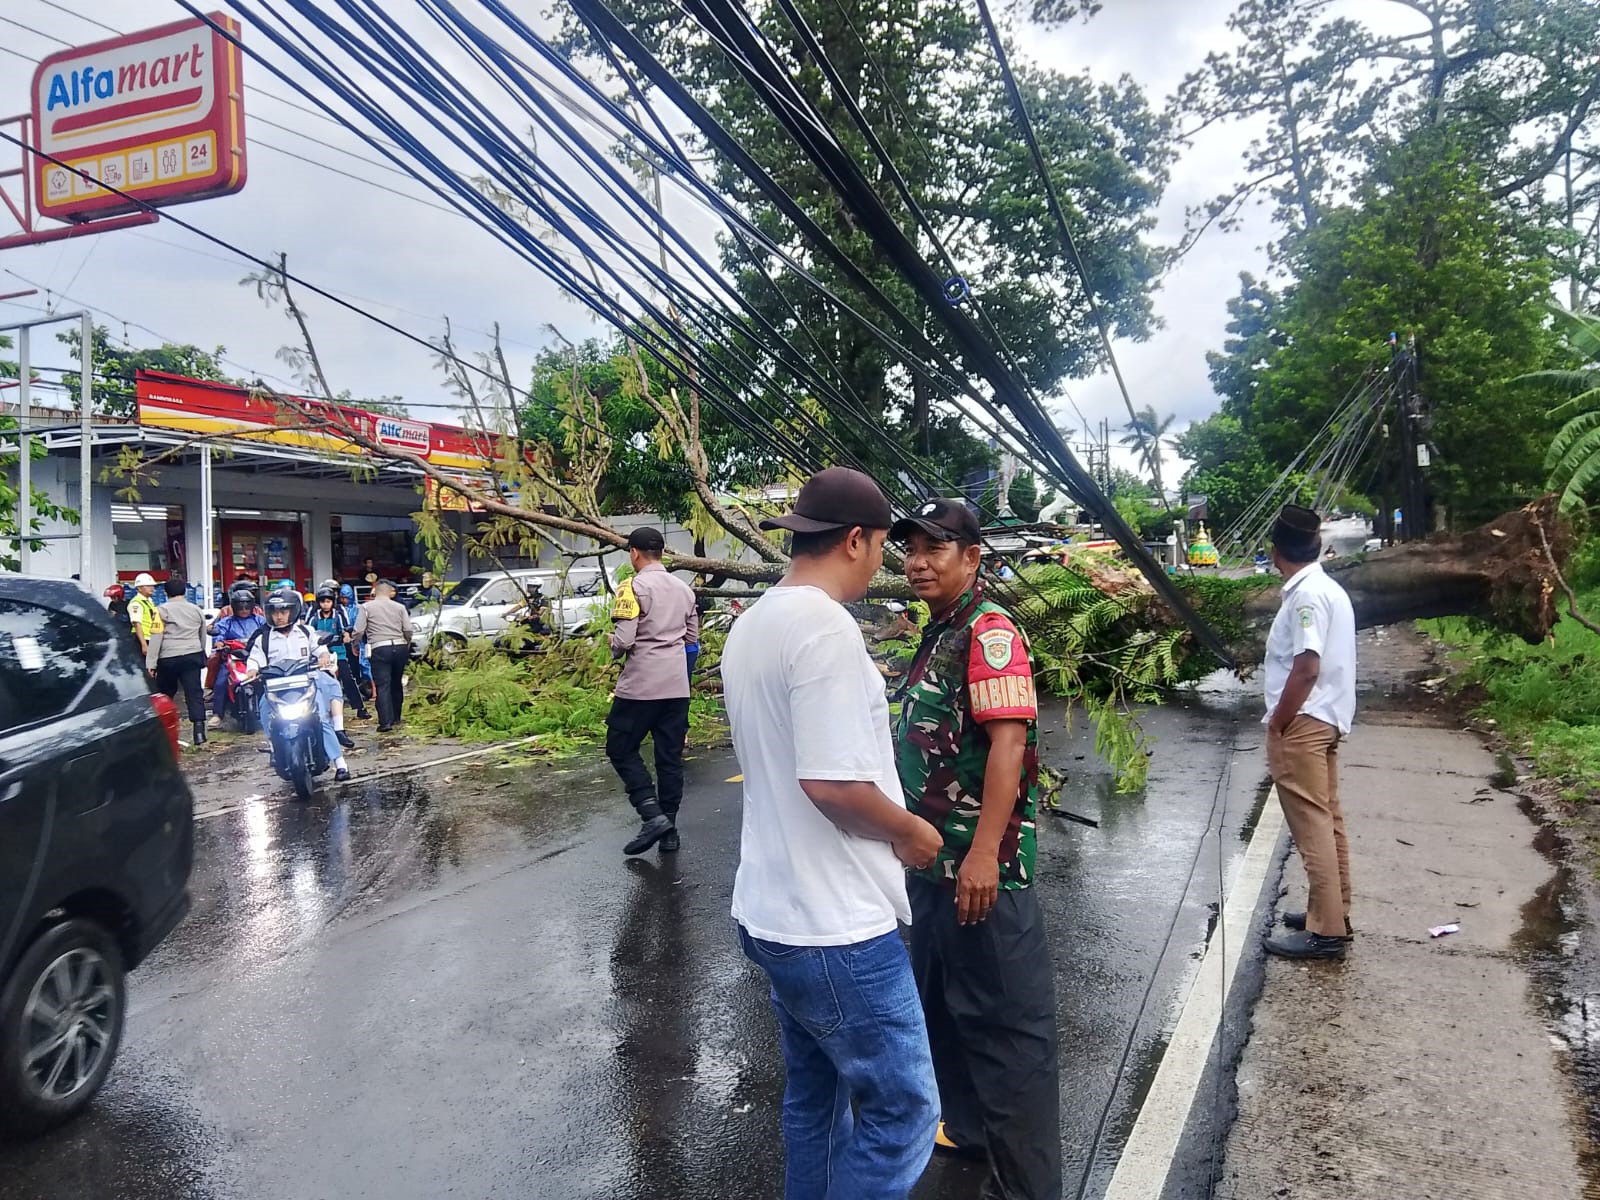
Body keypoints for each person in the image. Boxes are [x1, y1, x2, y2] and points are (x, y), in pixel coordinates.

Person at [721, 466, 942, 1200]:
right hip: (835, 926)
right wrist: (910, 832)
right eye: (881, 545)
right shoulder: (823, 629)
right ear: (855, 540)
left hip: (774, 911)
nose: (885, 561)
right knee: (904, 1112)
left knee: (816, 1099)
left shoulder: (754, 623)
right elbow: (832, 784)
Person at [890, 498, 1061, 1197]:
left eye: (935, 548)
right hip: (935, 865)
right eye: (910, 549)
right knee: (944, 1007)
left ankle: (1028, 1188)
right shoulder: (941, 629)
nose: (917, 562)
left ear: (972, 556)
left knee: (1008, 1034)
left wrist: (987, 851)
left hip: (982, 870)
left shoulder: (991, 631)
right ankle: (966, 1128)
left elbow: (1008, 745)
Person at [1261, 504, 1358, 960]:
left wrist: (1280, 722)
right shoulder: (1326, 588)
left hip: (1304, 722)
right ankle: (1332, 911)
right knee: (1328, 818)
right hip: (1328, 717)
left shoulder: (1306, 597)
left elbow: (1306, 666)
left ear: (1277, 552)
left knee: (1311, 823)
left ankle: (1327, 933)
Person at [606, 528, 700, 856]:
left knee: (620, 747)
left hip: (641, 686)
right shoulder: (684, 589)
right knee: (669, 758)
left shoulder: (631, 586)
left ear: (634, 553)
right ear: (660, 551)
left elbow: (626, 640)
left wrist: (613, 645)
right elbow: (691, 641)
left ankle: (651, 814)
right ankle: (669, 831)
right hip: (676, 687)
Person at [245, 588, 353, 781]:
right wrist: (252, 670)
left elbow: (320, 648)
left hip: (305, 684)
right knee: (263, 711)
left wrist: (324, 656)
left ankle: (340, 764)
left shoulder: (305, 632)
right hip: (277, 687)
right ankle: (273, 746)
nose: (279, 616)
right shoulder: (265, 638)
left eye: (283, 612)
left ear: (293, 611)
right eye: (275, 612)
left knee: (321, 717)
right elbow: (255, 658)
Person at [148, 571, 211, 747]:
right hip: (192, 655)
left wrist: (151, 663)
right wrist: (199, 651)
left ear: (166, 593)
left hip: (168, 657)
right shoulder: (196, 610)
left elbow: (156, 637)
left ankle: (161, 730)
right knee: (194, 693)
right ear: (184, 592)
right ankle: (199, 732)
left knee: (165, 694)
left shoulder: (160, 611)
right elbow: (202, 634)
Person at [353, 580, 414, 733]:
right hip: (399, 647)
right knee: (396, 683)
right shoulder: (400, 607)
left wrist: (355, 645)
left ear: (375, 592)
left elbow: (359, 630)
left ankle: (385, 722)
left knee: (383, 685)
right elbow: (408, 629)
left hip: (379, 648)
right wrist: (406, 643)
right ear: (389, 592)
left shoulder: (366, 607)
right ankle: (397, 717)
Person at [308, 585, 370, 720]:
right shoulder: (313, 616)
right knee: (317, 682)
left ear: (333, 602)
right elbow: (308, 632)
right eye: (323, 601)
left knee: (348, 679)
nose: (325, 604)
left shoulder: (339, 614)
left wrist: (346, 635)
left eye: (328, 601)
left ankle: (360, 708)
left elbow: (346, 628)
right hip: (319, 655)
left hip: (338, 652)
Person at [207, 588, 267, 726]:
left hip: (256, 656)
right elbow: (218, 633)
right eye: (240, 607)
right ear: (234, 607)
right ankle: (218, 714)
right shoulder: (227, 621)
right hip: (233, 658)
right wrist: (219, 642)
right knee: (221, 680)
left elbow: (268, 631)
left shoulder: (260, 620)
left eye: (247, 606)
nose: (244, 610)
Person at [338, 584, 372, 698]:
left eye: (346, 597)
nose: (344, 600)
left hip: (358, 640)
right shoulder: (339, 609)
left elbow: (360, 626)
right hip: (345, 641)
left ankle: (369, 688)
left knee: (363, 665)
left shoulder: (358, 608)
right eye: (342, 597)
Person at [126, 573, 164, 662]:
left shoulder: (149, 601)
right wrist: (144, 645)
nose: (152, 588)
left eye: (152, 586)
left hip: (151, 638)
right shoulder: (136, 603)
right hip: (142, 639)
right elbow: (137, 624)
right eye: (148, 586)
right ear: (139, 588)